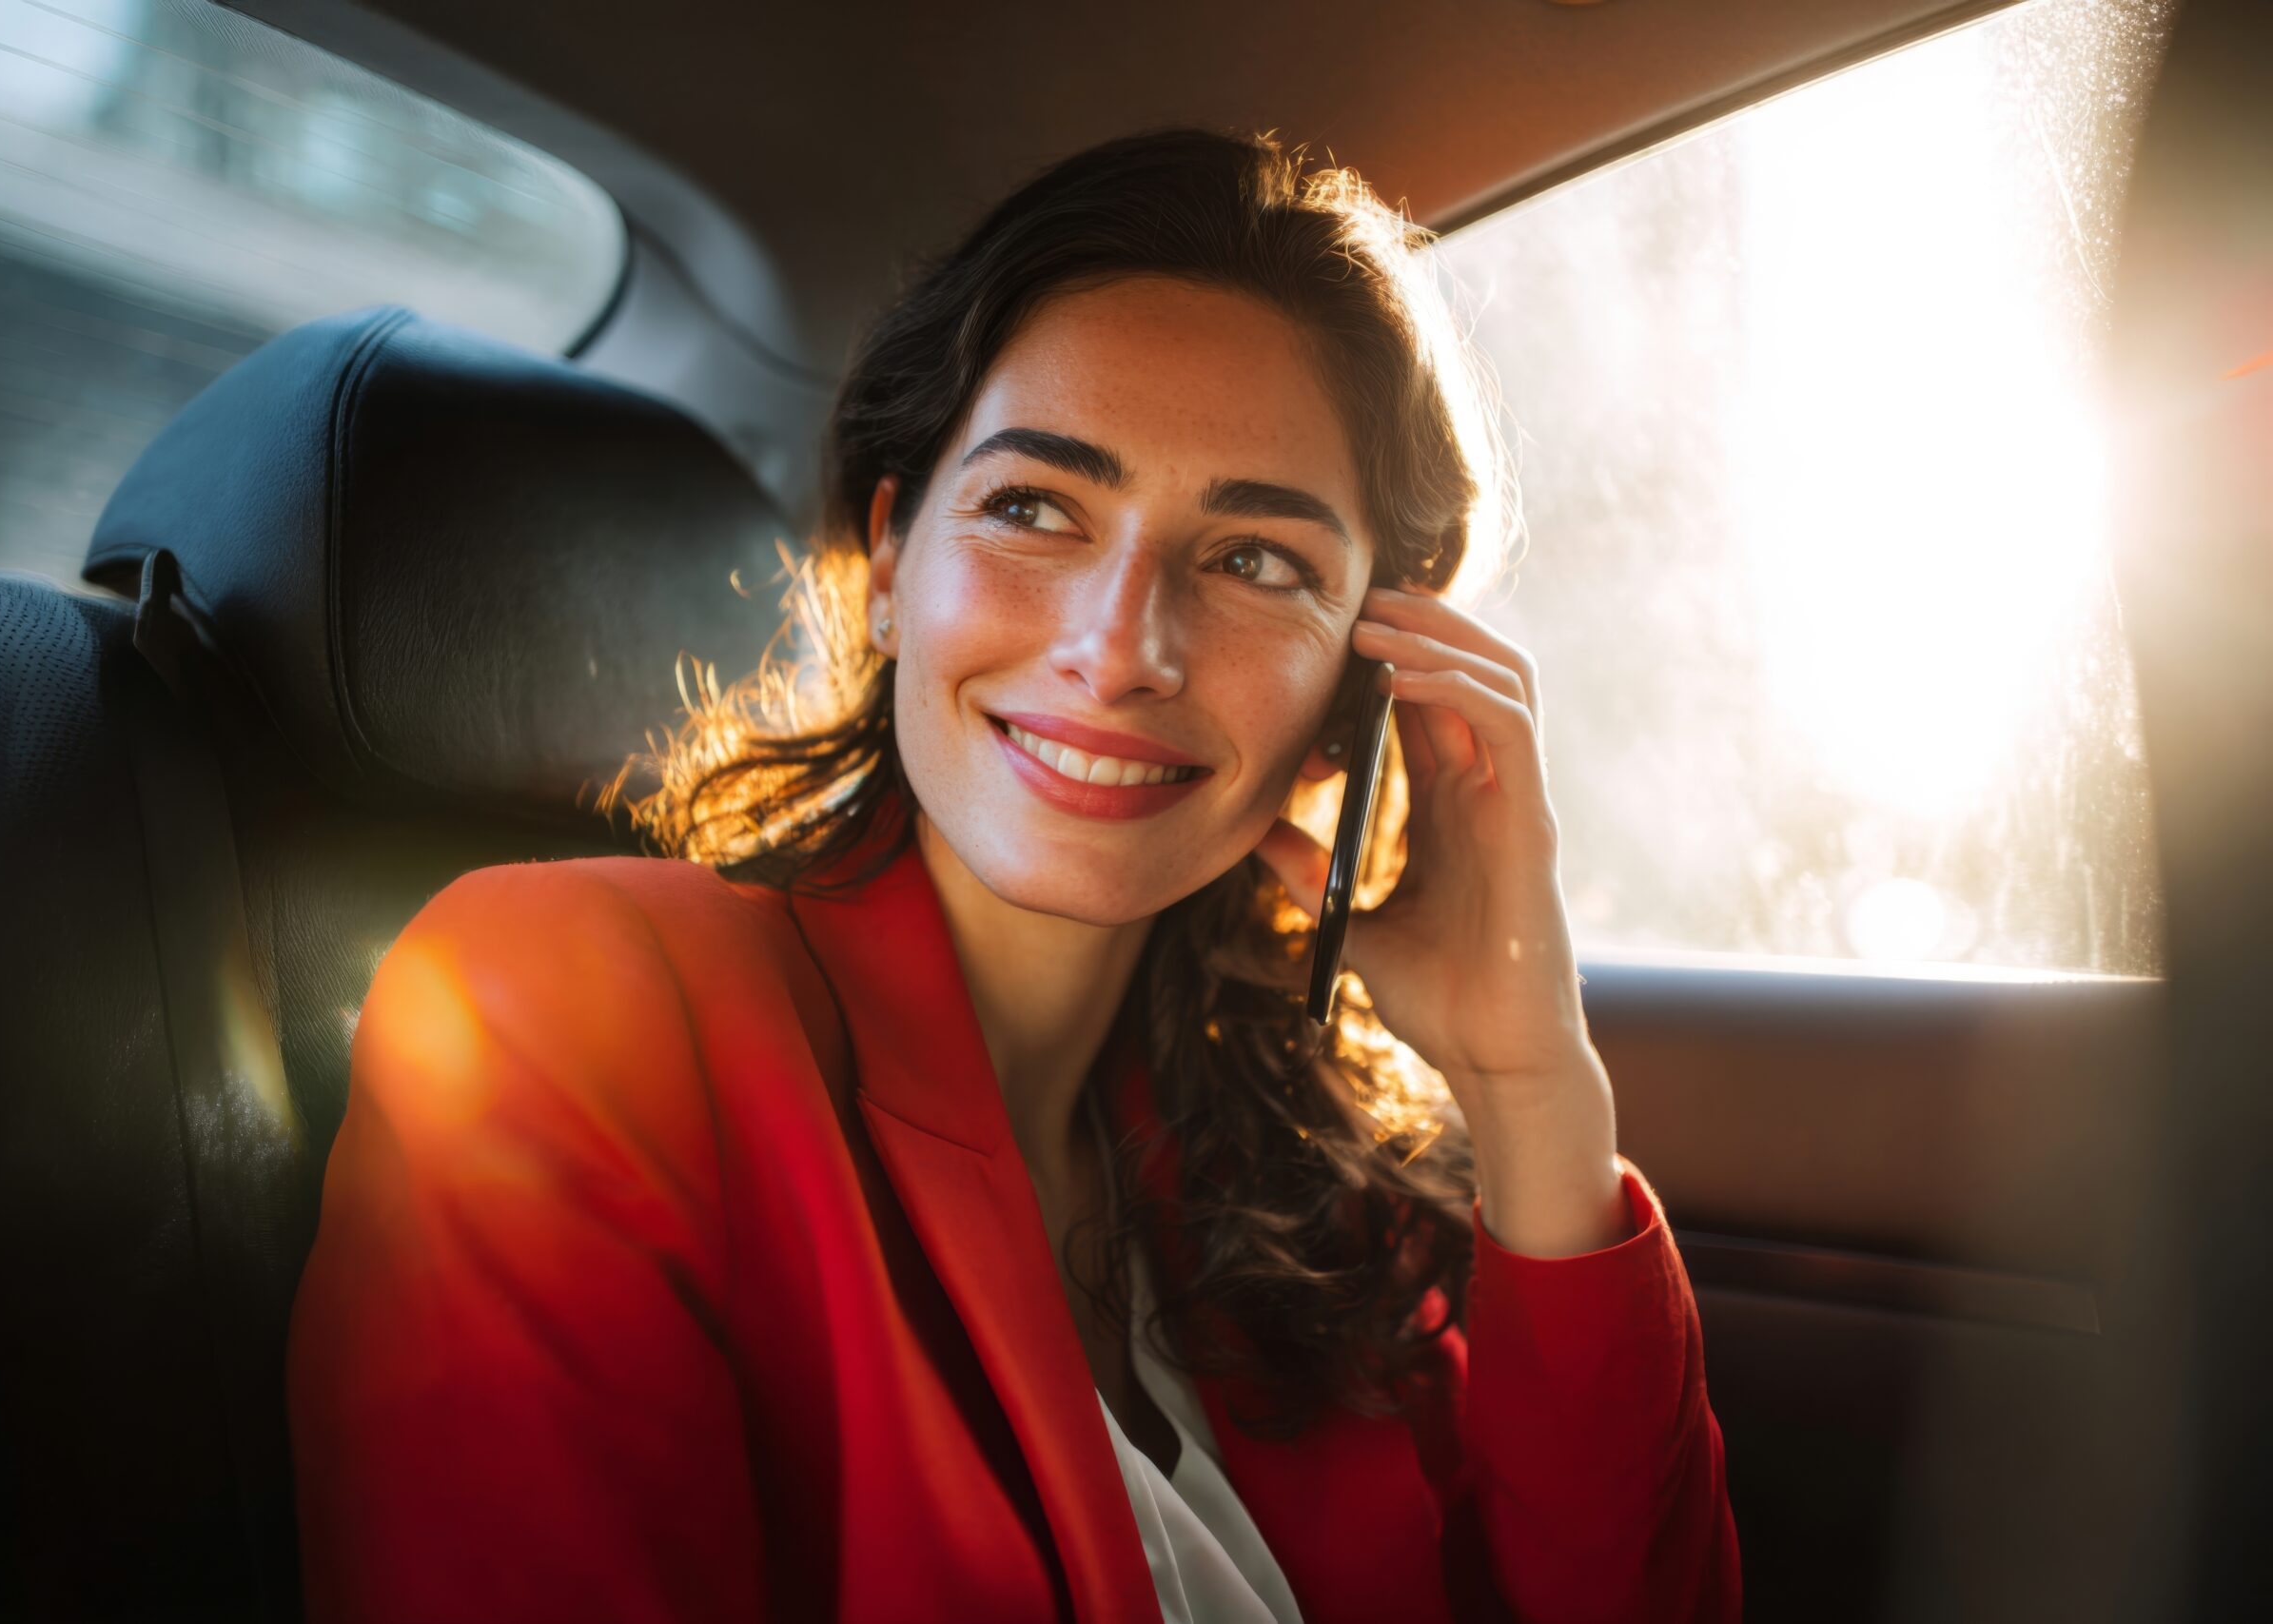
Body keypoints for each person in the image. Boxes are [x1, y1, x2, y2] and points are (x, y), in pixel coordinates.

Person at [286, 127, 1741, 1623]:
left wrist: (1531, 1088)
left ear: (1356, 693)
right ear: (893, 559)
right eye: (1035, 508)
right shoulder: (574, 1010)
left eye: (1255, 562)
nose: (1120, 650)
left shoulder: (1329, 1189)